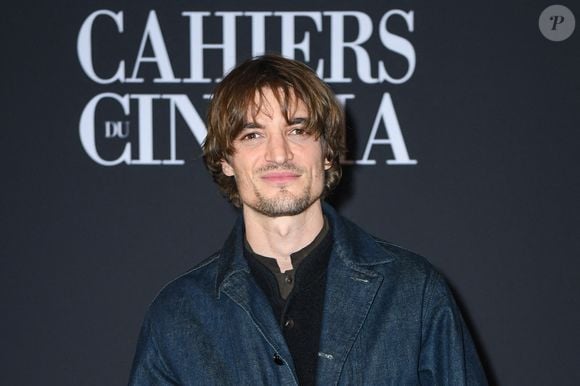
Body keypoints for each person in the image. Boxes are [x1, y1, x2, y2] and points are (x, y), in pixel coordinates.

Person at [128, 54, 487, 385]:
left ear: (328, 151)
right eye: (253, 135)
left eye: (297, 130)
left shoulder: (413, 294)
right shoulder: (178, 315)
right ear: (225, 159)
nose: (279, 153)